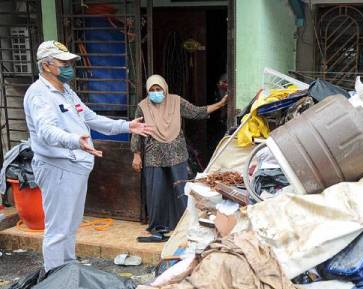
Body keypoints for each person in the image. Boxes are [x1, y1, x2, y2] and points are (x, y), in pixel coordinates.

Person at [24, 41, 153, 272]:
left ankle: (69, 270)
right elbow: (46, 131)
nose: (69, 67)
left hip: (74, 167)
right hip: (58, 168)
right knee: (58, 229)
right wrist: (75, 141)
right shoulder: (39, 95)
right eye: (63, 63)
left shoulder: (67, 91)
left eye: (70, 63)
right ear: (46, 65)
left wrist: (127, 126)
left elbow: (91, 118)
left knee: (71, 226)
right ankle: (54, 279)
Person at [131, 75, 227, 240]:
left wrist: (220, 104)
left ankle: (182, 225)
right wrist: (136, 155)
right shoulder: (143, 106)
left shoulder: (176, 101)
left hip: (177, 153)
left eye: (158, 89)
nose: (155, 93)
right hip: (154, 154)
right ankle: (157, 227)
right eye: (152, 90)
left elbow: (196, 112)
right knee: (156, 191)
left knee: (180, 190)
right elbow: (136, 131)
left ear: (165, 88)